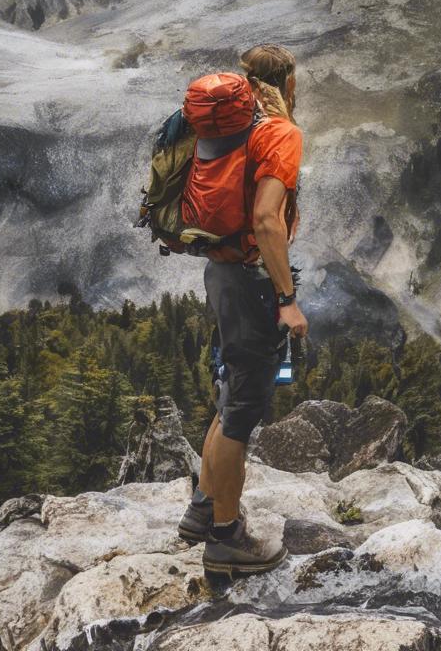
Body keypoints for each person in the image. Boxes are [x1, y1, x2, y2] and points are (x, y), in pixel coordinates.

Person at [177, 44, 308, 574]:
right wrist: (287, 301)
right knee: (242, 411)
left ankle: (203, 508)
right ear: (288, 84)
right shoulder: (278, 133)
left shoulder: (231, 127)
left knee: (230, 390)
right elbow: (267, 221)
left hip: (220, 273)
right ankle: (228, 539)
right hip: (252, 281)